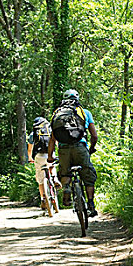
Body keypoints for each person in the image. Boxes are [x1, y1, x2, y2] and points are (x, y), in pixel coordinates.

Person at [47, 89, 98, 217]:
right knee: (88, 175)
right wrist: (92, 148)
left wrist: (49, 157)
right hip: (80, 147)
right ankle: (91, 204)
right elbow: (94, 135)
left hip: (64, 149)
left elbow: (52, 139)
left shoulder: (57, 114)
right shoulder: (84, 113)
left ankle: (67, 188)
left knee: (65, 172)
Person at [27, 116, 61, 210]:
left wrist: (30, 158)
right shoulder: (49, 131)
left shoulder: (33, 134)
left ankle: (43, 199)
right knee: (52, 166)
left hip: (39, 156)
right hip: (50, 154)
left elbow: (30, 149)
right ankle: (54, 178)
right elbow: (57, 143)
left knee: (40, 179)